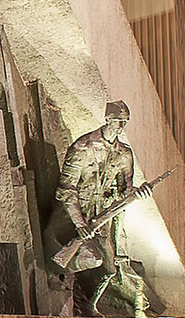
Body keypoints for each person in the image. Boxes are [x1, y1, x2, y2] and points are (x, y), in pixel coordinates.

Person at [53, 100, 151, 317]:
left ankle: (89, 305)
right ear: (107, 119)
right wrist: (80, 225)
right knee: (90, 258)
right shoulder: (83, 146)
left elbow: (125, 191)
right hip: (75, 216)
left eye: (125, 122)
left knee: (108, 270)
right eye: (118, 121)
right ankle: (58, 276)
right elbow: (66, 190)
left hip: (101, 219)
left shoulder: (124, 154)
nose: (121, 126)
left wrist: (138, 193)